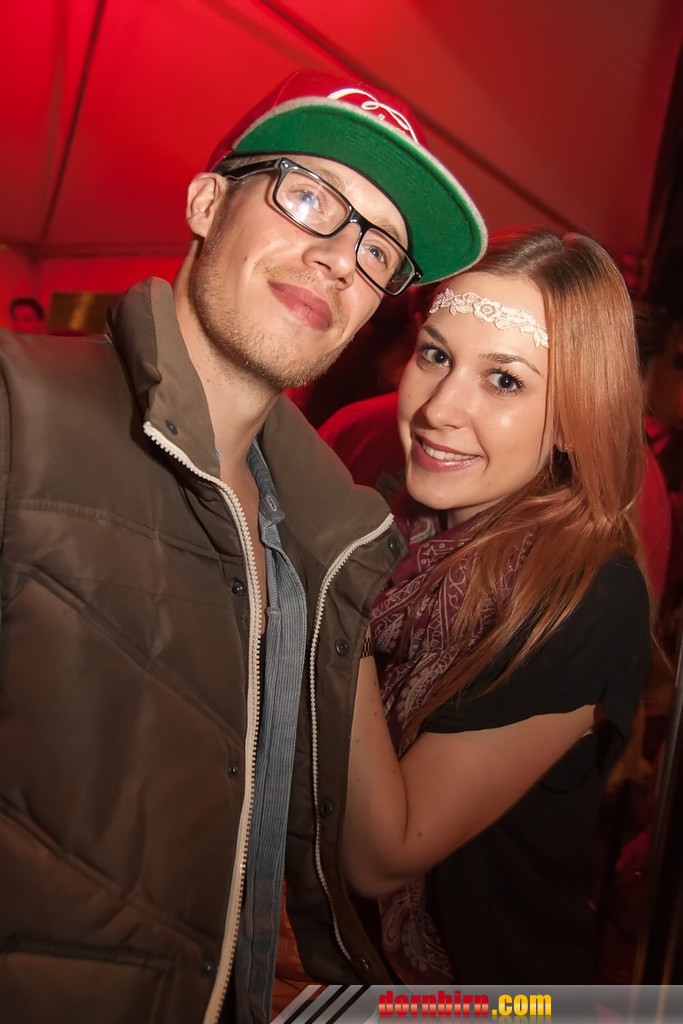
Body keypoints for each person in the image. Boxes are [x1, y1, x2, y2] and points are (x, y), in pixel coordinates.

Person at [0, 69, 487, 1023]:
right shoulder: (20, 414)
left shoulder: (328, 542)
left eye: (378, 248)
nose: (339, 259)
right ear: (205, 202)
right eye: (308, 197)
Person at [343, 228, 653, 984]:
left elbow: (383, 854)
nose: (439, 408)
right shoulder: (402, 530)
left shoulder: (583, 591)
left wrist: (324, 601)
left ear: (575, 417)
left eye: (505, 381)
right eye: (436, 355)